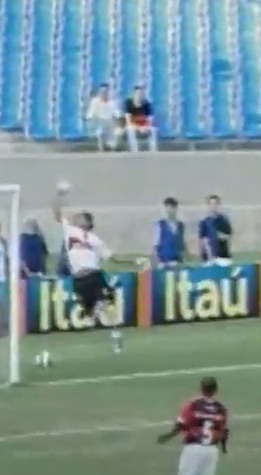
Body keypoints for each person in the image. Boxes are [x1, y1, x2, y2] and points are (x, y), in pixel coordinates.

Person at [53, 180, 146, 353]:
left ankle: (116, 335)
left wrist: (132, 262)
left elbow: (112, 258)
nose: (77, 217)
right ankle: (107, 327)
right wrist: (59, 195)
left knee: (104, 306)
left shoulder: (95, 240)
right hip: (78, 278)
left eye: (81, 217)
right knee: (89, 315)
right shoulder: (70, 231)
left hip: (94, 276)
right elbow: (57, 212)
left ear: (88, 223)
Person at [157, 376, 228, 475]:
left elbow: (180, 425)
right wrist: (224, 448)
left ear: (201, 388)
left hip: (193, 448)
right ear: (216, 389)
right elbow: (224, 432)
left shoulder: (192, 405)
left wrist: (168, 436)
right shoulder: (220, 408)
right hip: (211, 451)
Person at [85, 83, 122, 151]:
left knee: (116, 130)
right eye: (102, 91)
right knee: (100, 130)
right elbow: (90, 114)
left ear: (108, 92)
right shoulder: (95, 102)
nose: (104, 93)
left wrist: (117, 121)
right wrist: (92, 120)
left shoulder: (112, 102)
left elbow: (117, 114)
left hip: (109, 124)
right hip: (98, 123)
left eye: (106, 91)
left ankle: (112, 149)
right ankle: (101, 150)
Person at [198, 195, 232, 264]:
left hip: (222, 256)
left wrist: (221, 236)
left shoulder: (223, 221)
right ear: (208, 206)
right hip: (208, 258)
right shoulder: (204, 222)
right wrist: (202, 254)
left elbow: (229, 236)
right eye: (211, 204)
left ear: (218, 205)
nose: (213, 206)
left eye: (215, 204)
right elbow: (201, 240)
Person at [123, 85, 158, 152]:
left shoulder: (146, 104)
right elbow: (128, 120)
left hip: (144, 125)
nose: (139, 95)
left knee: (153, 130)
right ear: (134, 94)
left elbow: (150, 119)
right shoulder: (129, 103)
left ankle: (153, 150)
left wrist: (146, 127)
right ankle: (135, 150)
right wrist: (138, 127)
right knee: (130, 129)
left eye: (141, 94)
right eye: (137, 93)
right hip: (133, 125)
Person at [154, 197, 186, 267]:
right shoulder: (160, 225)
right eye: (166, 208)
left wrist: (183, 259)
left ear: (175, 209)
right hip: (163, 263)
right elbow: (156, 245)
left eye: (171, 208)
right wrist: (158, 262)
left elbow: (182, 245)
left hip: (177, 262)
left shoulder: (180, 225)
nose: (168, 211)